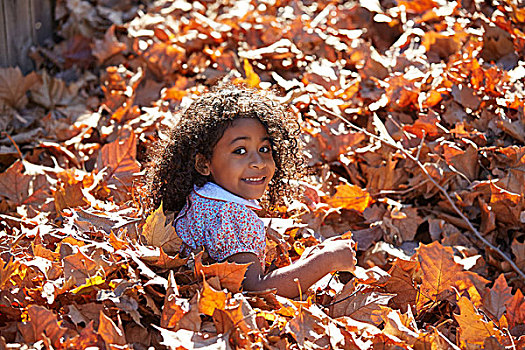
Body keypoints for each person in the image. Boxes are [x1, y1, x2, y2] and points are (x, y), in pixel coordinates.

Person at [145, 84, 356, 298]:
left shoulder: (199, 195)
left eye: (264, 149)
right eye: (240, 151)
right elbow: (255, 288)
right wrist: (326, 260)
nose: (258, 162)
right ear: (203, 164)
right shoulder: (233, 216)